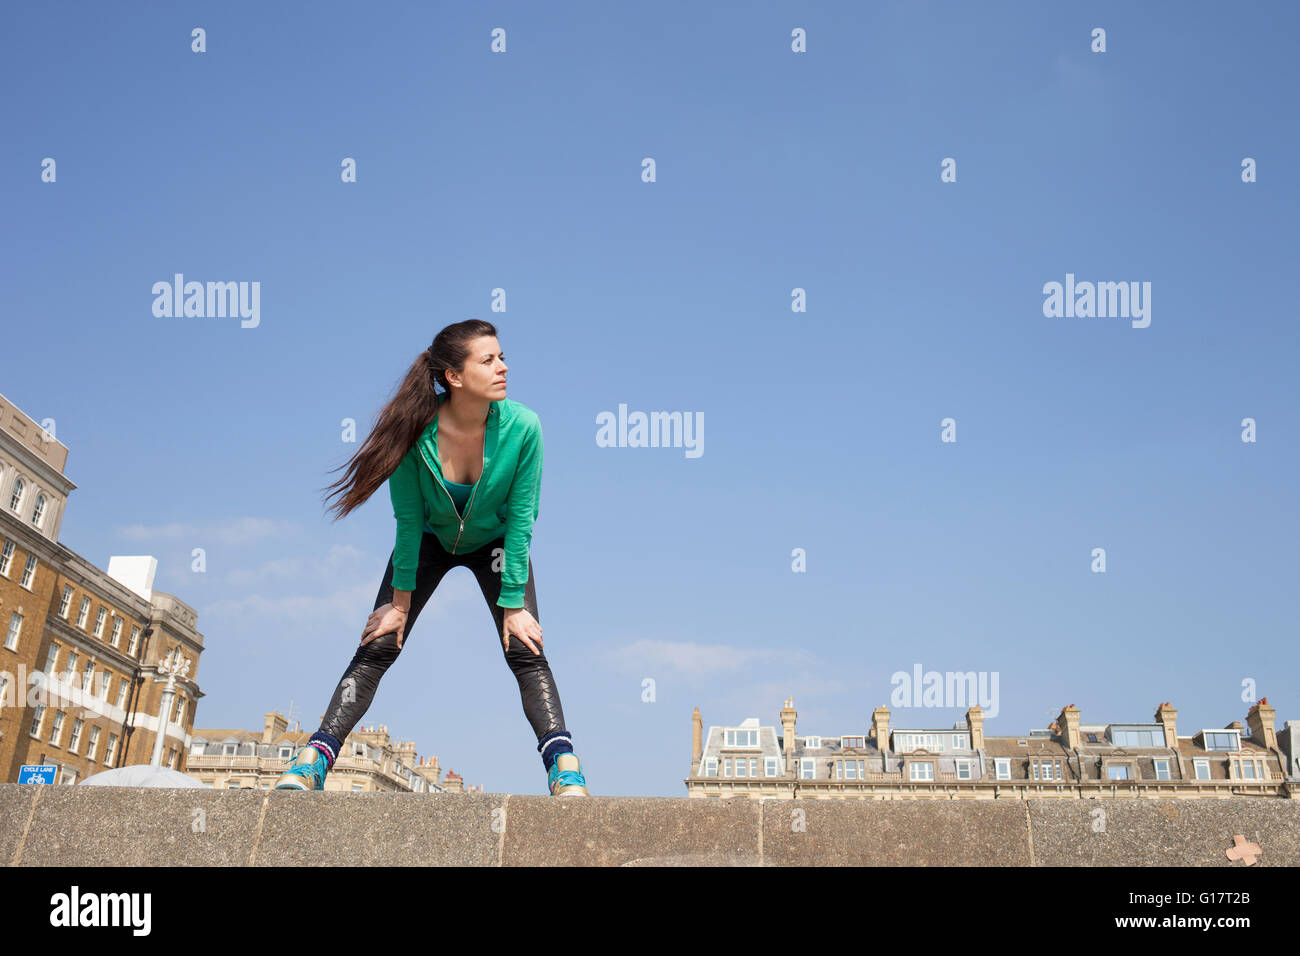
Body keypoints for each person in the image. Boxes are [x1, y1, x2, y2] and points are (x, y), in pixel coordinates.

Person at [274, 319, 588, 796]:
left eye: (502, 356)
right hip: (427, 540)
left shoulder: (524, 427)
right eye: (489, 360)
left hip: (496, 543)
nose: (503, 366)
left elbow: (523, 518)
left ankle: (564, 766)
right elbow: (407, 518)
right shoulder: (411, 430)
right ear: (454, 377)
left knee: (525, 646)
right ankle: (311, 761)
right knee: (379, 643)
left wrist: (514, 604)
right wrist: (398, 604)